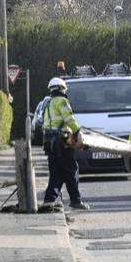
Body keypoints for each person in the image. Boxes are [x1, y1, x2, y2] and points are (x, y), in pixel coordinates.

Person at [42, 77, 89, 210]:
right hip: (62, 143)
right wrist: (78, 132)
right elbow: (69, 120)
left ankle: (49, 200)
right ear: (62, 89)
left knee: (56, 172)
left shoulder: (48, 103)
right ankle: (75, 200)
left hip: (49, 143)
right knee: (71, 170)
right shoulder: (62, 101)